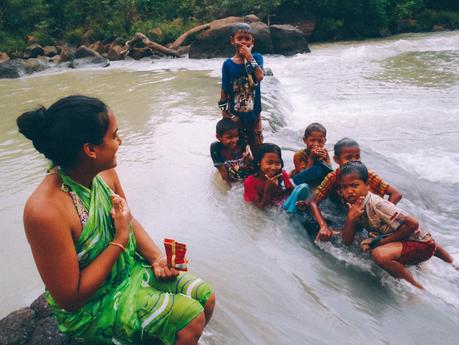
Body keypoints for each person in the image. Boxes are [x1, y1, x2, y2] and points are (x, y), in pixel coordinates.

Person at [16, 95, 215, 345]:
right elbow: (70, 298)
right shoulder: (45, 210)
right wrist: (120, 240)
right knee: (190, 318)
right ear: (90, 150)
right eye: (114, 135)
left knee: (205, 297)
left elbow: (127, 219)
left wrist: (157, 258)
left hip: (127, 272)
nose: (119, 141)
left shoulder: (105, 173)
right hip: (92, 306)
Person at [339, 161, 455, 289]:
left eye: (354, 185)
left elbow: (413, 224)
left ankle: (417, 288)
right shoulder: (354, 205)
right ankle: (432, 265)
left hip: (422, 245)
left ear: (367, 185)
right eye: (344, 187)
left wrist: (383, 242)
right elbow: (346, 241)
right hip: (410, 242)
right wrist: (350, 219)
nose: (349, 191)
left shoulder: (377, 204)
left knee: (379, 255)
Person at [303, 138, 403, 241]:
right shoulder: (333, 177)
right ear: (337, 160)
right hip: (354, 213)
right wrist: (323, 225)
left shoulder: (366, 174)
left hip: (372, 212)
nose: (354, 161)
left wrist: (382, 214)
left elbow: (396, 194)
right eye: (348, 158)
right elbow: (313, 202)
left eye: (357, 157)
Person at [219, 22, 265, 150]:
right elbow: (224, 90)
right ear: (232, 41)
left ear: (252, 41)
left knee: (257, 148)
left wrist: (248, 56)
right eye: (239, 38)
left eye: (247, 39)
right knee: (237, 151)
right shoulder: (228, 64)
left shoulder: (256, 57)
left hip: (254, 116)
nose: (243, 42)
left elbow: (260, 76)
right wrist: (224, 114)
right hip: (236, 117)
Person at [244, 143, 297, 209]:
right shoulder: (250, 182)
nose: (273, 167)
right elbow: (260, 207)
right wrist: (268, 188)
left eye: (277, 163)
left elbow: (292, 192)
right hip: (266, 207)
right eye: (269, 163)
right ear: (258, 162)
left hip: (280, 203)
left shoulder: (281, 174)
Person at [210, 118, 254, 182]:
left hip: (244, 173)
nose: (234, 140)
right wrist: (231, 190)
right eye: (229, 137)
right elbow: (224, 176)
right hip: (231, 174)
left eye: (236, 136)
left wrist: (249, 158)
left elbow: (250, 167)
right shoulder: (216, 148)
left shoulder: (241, 143)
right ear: (218, 137)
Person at [290, 122, 333, 186]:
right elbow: (304, 175)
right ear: (305, 140)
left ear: (325, 141)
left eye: (320, 141)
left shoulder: (324, 152)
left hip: (317, 179)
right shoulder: (299, 154)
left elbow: (329, 170)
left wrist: (324, 159)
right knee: (316, 170)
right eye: (312, 140)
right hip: (300, 180)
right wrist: (311, 157)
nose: (316, 144)